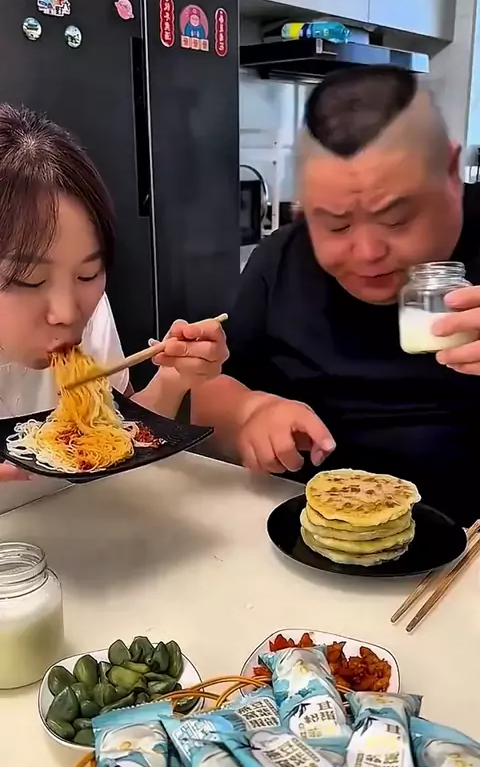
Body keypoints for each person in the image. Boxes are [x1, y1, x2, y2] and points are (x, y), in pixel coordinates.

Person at [192, 65, 480, 525]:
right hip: (313, 532)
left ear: (451, 171)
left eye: (396, 219)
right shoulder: (281, 262)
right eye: (336, 225)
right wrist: (250, 412)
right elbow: (203, 392)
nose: (368, 253)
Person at [0, 104, 228, 482]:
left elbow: (117, 436)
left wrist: (172, 379)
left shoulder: (89, 311)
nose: (67, 312)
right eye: (30, 279)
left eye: (88, 273)